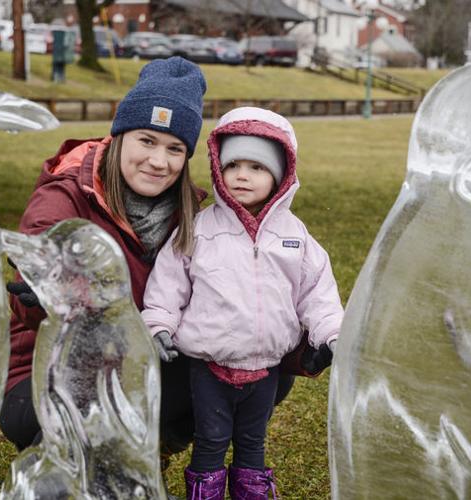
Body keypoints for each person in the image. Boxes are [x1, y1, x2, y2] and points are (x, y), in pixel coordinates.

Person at [0, 59, 311, 466]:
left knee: (262, 371)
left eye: (174, 148)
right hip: (50, 375)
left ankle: (153, 444)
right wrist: (47, 297)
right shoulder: (67, 196)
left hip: (136, 367)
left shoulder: (194, 220)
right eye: (147, 140)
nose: (158, 161)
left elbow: (239, 310)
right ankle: (79, 460)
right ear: (120, 135)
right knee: (84, 430)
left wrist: (299, 353)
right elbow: (27, 300)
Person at [142, 106, 344, 499]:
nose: (242, 175)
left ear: (281, 175)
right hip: (210, 365)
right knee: (211, 439)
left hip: (266, 367)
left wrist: (332, 333)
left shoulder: (294, 236)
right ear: (218, 169)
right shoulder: (199, 229)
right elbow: (168, 286)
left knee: (253, 441)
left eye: (257, 167)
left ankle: (252, 491)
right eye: (233, 165)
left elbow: (317, 293)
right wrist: (158, 326)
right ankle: (206, 491)